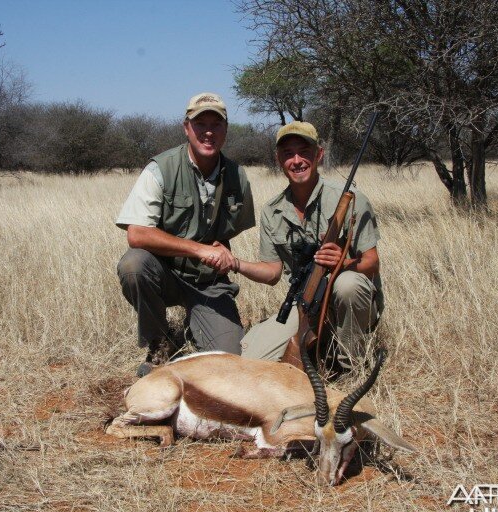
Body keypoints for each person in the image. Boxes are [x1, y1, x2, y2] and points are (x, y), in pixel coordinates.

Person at [215, 121, 383, 367]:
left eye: (304, 152)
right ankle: (318, 343)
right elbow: (272, 272)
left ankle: (350, 363)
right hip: (306, 302)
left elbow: (371, 262)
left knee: (347, 284)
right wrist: (235, 263)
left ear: (319, 155)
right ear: (278, 159)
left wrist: (342, 264)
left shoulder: (350, 200)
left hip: (349, 303)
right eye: (288, 153)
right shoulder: (272, 210)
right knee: (251, 360)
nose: (297, 160)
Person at [115, 93, 255, 376]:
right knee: (134, 265)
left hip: (210, 283)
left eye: (216, 124)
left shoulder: (237, 176)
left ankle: (199, 324)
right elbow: (137, 234)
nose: (208, 131)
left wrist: (220, 252)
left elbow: (232, 229)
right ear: (186, 127)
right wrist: (199, 250)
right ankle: (160, 342)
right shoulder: (160, 168)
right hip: (166, 275)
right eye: (200, 123)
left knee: (228, 364)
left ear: (226, 129)